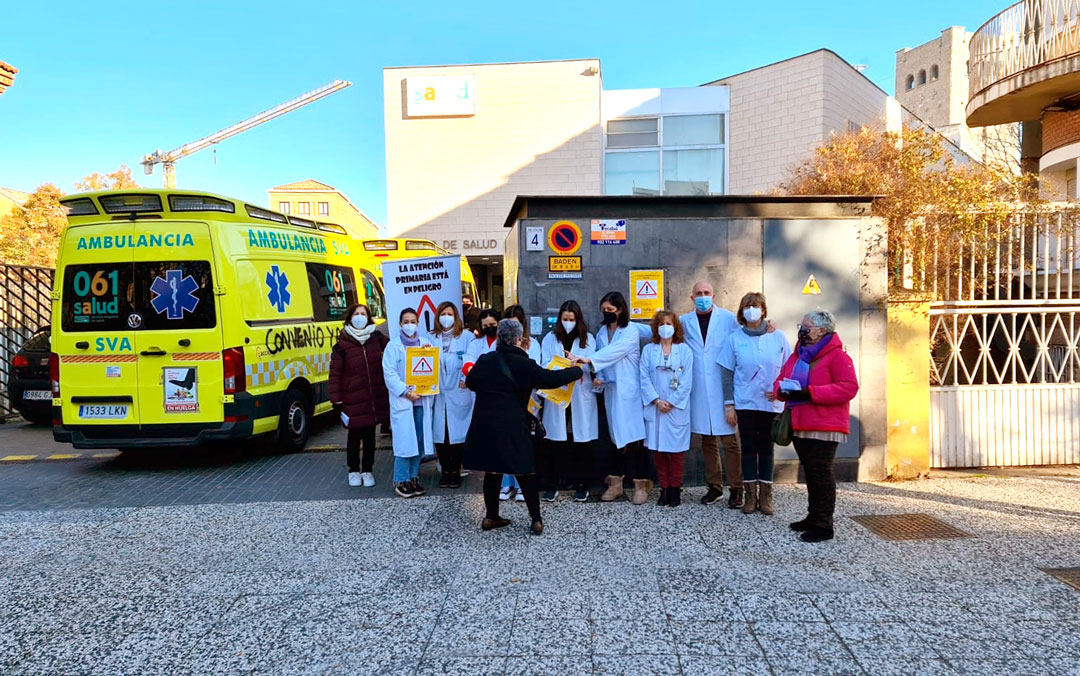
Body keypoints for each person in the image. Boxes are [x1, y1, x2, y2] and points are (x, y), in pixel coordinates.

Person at [464, 319, 583, 534]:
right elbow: (551, 379)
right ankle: (536, 520)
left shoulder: (485, 360)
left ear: (499, 338)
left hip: (485, 425)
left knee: (492, 471)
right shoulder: (524, 364)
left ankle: (491, 517)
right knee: (525, 471)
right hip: (512, 425)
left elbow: (471, 382)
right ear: (519, 339)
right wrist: (576, 370)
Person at [770, 310, 858, 543]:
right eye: (802, 325)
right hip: (800, 421)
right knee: (810, 471)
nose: (802, 330)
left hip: (825, 424)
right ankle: (813, 516)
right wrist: (781, 390)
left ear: (822, 330)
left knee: (820, 472)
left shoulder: (838, 357)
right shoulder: (798, 354)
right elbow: (782, 377)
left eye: (807, 326)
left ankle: (823, 524)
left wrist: (810, 392)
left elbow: (848, 388)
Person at [573, 291, 649, 504]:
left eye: (610, 310)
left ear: (620, 310)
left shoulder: (630, 331)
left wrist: (587, 359)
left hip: (629, 392)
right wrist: (599, 377)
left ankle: (640, 484)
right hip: (611, 392)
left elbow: (614, 353)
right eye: (604, 310)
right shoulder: (601, 333)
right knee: (616, 440)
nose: (607, 314)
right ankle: (615, 483)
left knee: (634, 439)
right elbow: (603, 360)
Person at [718, 293, 791, 515]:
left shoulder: (777, 337)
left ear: (763, 310)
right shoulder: (734, 338)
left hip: (770, 404)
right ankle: (750, 496)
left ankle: (766, 497)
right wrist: (729, 404)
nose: (752, 309)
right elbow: (727, 372)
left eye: (756, 305)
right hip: (745, 402)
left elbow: (789, 367)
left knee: (767, 449)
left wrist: (780, 391)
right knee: (748, 448)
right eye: (747, 306)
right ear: (741, 311)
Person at [679, 281, 743, 508]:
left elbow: (745, 336)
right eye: (698, 293)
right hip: (699, 388)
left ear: (714, 295)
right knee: (707, 440)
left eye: (706, 293)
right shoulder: (684, 322)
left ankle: (737, 488)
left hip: (722, 387)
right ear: (692, 297)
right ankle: (715, 487)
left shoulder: (727, 319)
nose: (703, 296)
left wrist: (769, 327)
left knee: (730, 441)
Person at [539, 300, 597, 503]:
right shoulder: (550, 338)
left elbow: (592, 365)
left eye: (571, 319)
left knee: (582, 442)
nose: (568, 323)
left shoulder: (588, 339)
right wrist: (565, 367)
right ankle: (553, 484)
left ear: (578, 319)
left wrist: (578, 364)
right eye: (565, 319)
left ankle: (582, 485)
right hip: (557, 394)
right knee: (555, 442)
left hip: (580, 395)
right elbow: (544, 364)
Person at [329, 303, 390, 488]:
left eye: (364, 313)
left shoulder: (377, 339)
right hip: (352, 398)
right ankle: (353, 470)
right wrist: (336, 400)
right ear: (350, 317)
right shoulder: (341, 345)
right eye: (356, 313)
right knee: (354, 437)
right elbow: (335, 374)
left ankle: (368, 470)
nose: (360, 317)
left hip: (373, 397)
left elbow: (396, 353)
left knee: (370, 437)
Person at [640, 311, 694, 507]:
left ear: (675, 327)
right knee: (659, 451)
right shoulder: (649, 350)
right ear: (656, 327)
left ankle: (675, 489)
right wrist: (656, 401)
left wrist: (670, 402)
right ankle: (664, 488)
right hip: (656, 407)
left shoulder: (685, 351)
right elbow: (643, 378)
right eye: (661, 323)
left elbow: (687, 382)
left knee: (676, 452)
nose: (665, 326)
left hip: (676, 408)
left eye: (669, 323)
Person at [382, 308, 437, 498]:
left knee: (419, 442)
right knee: (405, 442)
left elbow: (432, 370)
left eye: (412, 321)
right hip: (404, 401)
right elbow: (389, 373)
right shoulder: (393, 346)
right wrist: (406, 392)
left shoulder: (426, 344)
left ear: (418, 323)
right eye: (406, 321)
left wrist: (430, 357)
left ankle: (414, 477)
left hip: (422, 402)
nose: (409, 324)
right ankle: (401, 480)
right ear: (400, 324)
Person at [499, 305, 542, 499]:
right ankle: (507, 483)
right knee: (506, 443)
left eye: (516, 320)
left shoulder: (533, 344)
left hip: (528, 400)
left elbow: (536, 370)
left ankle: (521, 484)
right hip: (507, 401)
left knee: (524, 443)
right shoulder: (499, 349)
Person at [430, 301, 475, 489]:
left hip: (459, 391)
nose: (446, 317)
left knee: (457, 435)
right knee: (441, 435)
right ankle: (445, 471)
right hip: (438, 394)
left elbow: (472, 359)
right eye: (442, 313)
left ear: (456, 316)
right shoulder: (430, 339)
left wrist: (467, 377)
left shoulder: (467, 337)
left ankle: (455, 471)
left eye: (449, 313)